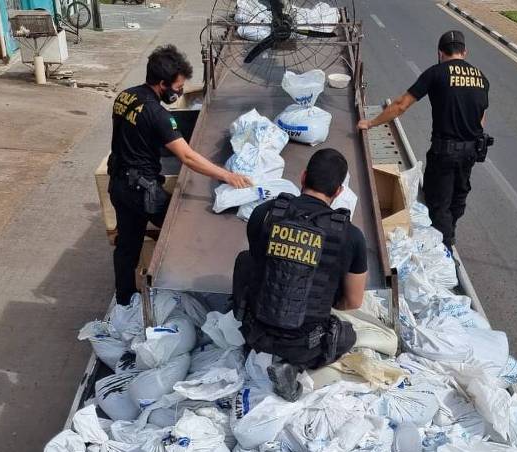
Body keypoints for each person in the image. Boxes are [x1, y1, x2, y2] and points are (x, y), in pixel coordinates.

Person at [108, 44, 253, 306]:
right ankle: (183, 286)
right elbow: (186, 156)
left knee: (127, 247)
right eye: (177, 87)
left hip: (119, 183)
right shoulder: (158, 114)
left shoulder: (124, 96)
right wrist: (227, 176)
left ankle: (124, 301)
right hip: (142, 191)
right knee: (183, 230)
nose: (180, 91)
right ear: (162, 83)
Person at [232, 149, 367, 398]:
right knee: (348, 335)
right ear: (338, 192)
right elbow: (353, 301)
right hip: (304, 344)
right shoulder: (351, 236)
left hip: (255, 330)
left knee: (246, 259)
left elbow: (259, 265)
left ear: (302, 177)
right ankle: (293, 367)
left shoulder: (265, 213)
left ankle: (256, 349)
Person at [358, 29, 489, 253]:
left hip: (445, 152)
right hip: (470, 152)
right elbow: (481, 118)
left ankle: (444, 251)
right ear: (464, 52)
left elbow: (401, 105)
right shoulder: (481, 78)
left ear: (440, 53)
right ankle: (450, 233)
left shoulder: (436, 73)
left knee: (438, 204)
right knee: (458, 196)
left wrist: (370, 123)